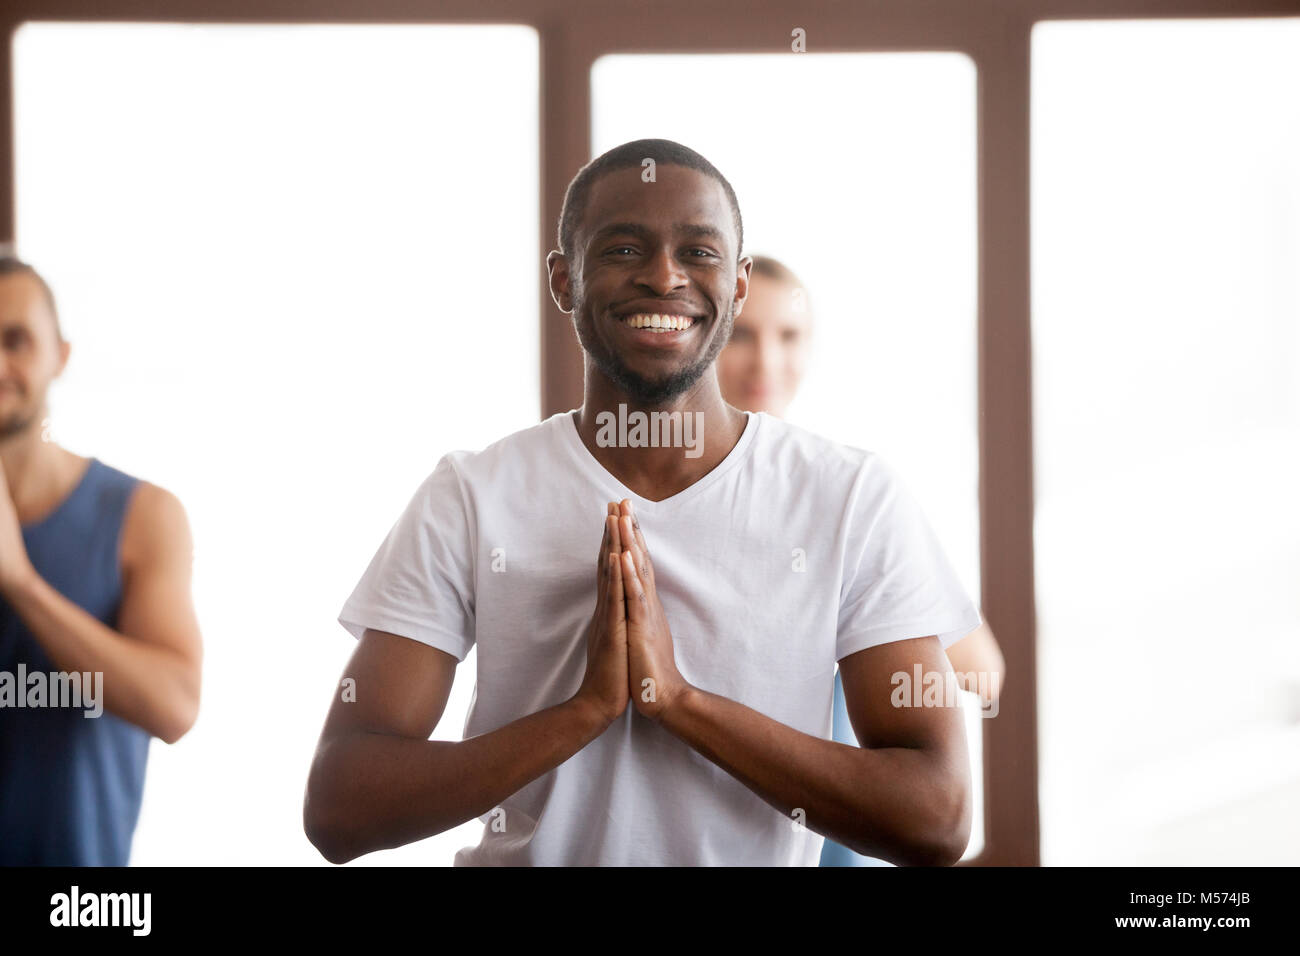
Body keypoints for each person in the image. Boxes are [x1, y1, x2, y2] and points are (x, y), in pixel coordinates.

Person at [304, 139, 981, 866]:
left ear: (740, 283)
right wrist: (582, 713)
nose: (665, 277)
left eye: (700, 251)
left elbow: (935, 818)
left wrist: (681, 704)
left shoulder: (850, 498)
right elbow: (340, 809)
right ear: (565, 280)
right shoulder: (473, 497)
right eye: (624, 249)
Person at [716, 254, 1006, 866]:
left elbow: (983, 674)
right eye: (742, 334)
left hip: (850, 840)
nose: (766, 360)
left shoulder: (850, 495)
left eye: (789, 336)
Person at [0, 254, 203, 865]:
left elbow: (175, 706)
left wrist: (21, 583)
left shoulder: (141, 515)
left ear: (60, 355)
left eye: (15, 339)